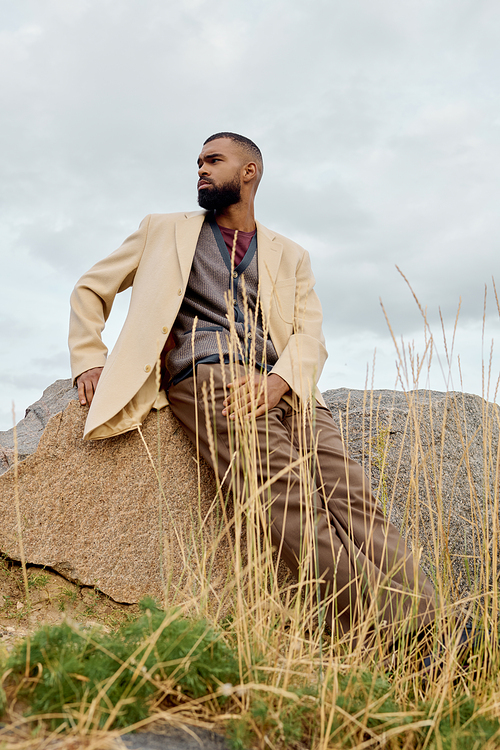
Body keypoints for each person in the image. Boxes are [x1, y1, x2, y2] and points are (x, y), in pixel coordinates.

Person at [69, 132, 435, 644]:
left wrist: (280, 381)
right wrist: (90, 357)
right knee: (286, 496)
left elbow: (310, 334)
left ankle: (437, 624)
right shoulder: (163, 230)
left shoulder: (291, 254)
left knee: (356, 499)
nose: (200, 169)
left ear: (249, 172)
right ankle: (408, 635)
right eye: (198, 161)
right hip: (211, 372)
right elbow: (90, 287)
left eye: (213, 160)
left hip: (287, 386)